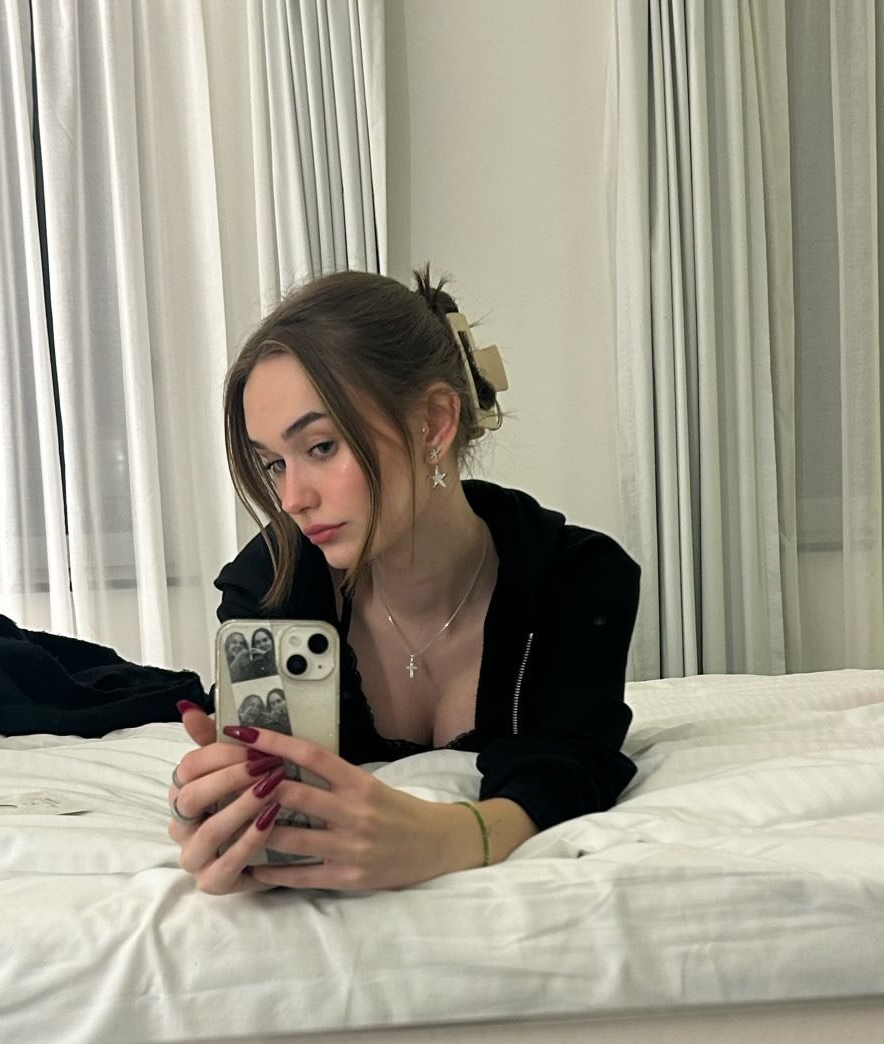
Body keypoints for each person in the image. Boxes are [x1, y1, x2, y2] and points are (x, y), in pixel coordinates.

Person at [168, 268, 640, 895]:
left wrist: (446, 837)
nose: (292, 498)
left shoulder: (577, 576)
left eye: (321, 447)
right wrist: (222, 807)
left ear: (435, 423)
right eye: (275, 463)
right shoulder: (271, 582)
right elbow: (264, 781)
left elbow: (573, 759)